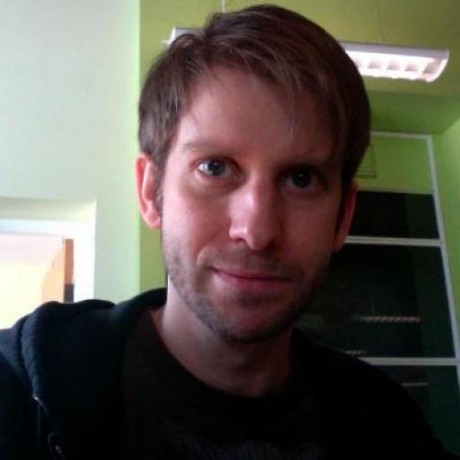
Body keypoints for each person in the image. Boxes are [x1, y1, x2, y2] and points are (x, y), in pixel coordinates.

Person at [0, 4, 457, 460]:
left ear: (343, 216)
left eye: (300, 179)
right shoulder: (21, 398)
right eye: (215, 168)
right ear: (151, 191)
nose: (257, 231)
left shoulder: (389, 426)